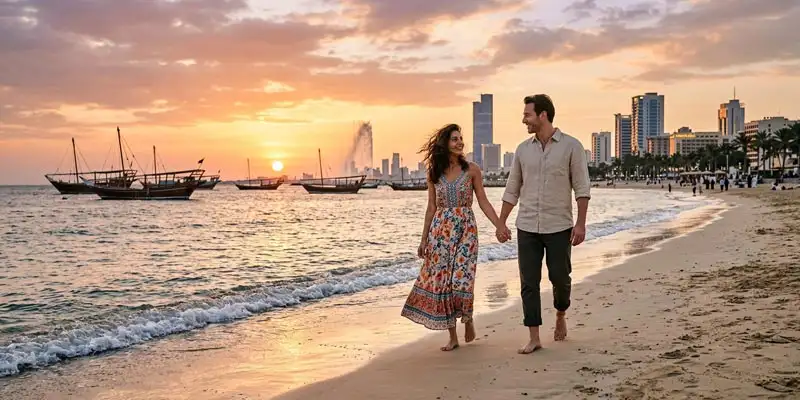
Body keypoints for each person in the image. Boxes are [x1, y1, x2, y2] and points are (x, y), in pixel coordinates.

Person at [497, 94, 591, 354]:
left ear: (543, 115)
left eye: (527, 114)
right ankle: (534, 336)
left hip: (559, 226)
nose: (523, 119)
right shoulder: (522, 150)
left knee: (560, 278)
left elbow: (582, 189)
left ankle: (561, 313)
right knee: (529, 282)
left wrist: (581, 224)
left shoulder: (572, 146)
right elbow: (512, 188)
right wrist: (501, 222)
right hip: (526, 225)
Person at [401, 123, 507, 352]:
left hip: (466, 229)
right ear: (445, 143)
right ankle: (452, 336)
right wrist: (423, 240)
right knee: (445, 284)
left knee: (462, 279)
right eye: (454, 139)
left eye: (461, 139)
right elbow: (431, 207)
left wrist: (499, 224)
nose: (460, 142)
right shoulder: (434, 172)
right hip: (440, 233)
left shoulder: (472, 170)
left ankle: (467, 318)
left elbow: (483, 202)